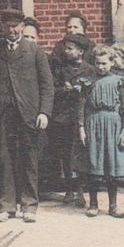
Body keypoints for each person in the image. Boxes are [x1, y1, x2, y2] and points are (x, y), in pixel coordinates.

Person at [0, 8, 53, 224]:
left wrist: (44, 111)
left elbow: (47, 85)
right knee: (4, 159)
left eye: (16, 26)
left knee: (29, 159)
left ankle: (29, 205)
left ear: (22, 27)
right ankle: (7, 206)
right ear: (2, 27)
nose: (12, 30)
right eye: (8, 26)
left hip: (29, 114)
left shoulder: (35, 51)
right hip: (2, 113)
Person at [78, 46, 124, 219]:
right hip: (93, 124)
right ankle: (93, 204)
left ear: (111, 62)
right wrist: (81, 128)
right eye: (98, 63)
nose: (101, 67)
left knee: (111, 166)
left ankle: (113, 205)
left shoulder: (119, 81)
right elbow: (81, 107)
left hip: (113, 126)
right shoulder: (87, 81)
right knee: (94, 163)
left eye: (104, 63)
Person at [47, 33, 96, 206]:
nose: (66, 51)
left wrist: (82, 89)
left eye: (70, 48)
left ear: (81, 51)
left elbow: (93, 91)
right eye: (65, 48)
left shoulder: (90, 69)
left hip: (82, 117)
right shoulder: (60, 69)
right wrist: (65, 90)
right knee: (66, 154)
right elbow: (51, 89)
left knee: (81, 154)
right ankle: (69, 188)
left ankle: (81, 190)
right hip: (63, 117)